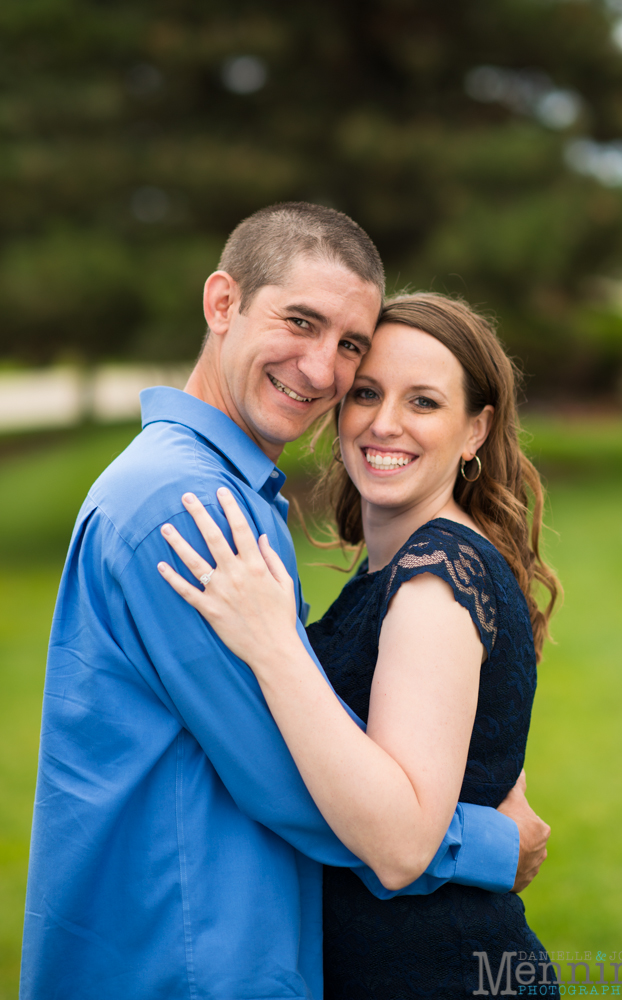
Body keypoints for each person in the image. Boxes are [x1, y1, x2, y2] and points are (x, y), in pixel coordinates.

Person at [21, 204, 549, 1000]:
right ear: (222, 303)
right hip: (188, 955)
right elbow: (288, 778)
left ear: (474, 430)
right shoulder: (190, 508)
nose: (318, 370)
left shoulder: (226, 494)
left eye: (345, 346)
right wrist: (485, 839)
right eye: (299, 323)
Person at [157, 291, 560, 998]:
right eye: (366, 393)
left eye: (424, 403)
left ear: (475, 430)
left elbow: (401, 849)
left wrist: (272, 642)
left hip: (436, 975)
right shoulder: (405, 567)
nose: (384, 423)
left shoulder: (435, 579)